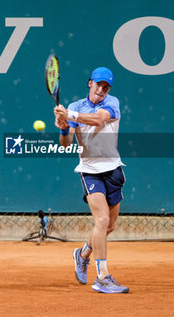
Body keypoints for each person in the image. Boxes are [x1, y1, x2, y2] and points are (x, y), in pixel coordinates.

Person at [54, 67, 129, 294]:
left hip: (114, 170)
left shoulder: (112, 103)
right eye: (98, 85)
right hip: (90, 171)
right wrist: (64, 128)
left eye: (106, 87)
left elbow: (98, 120)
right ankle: (103, 277)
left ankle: (83, 254)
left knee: (109, 226)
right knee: (102, 220)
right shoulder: (76, 106)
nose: (102, 90)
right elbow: (66, 144)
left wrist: (69, 116)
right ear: (90, 83)